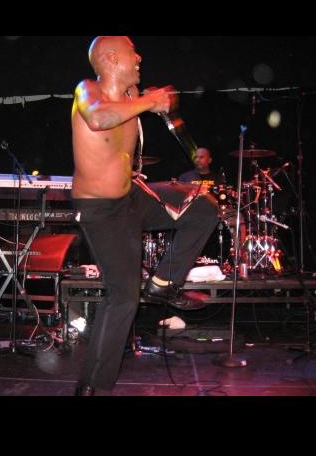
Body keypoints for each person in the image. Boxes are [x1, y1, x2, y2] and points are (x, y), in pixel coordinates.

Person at [71, 36, 218, 396]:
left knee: (203, 205)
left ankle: (164, 283)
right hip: (100, 209)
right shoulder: (88, 90)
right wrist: (150, 101)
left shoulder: (131, 95)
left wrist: (170, 112)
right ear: (110, 58)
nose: (139, 57)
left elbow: (160, 105)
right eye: (131, 52)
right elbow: (99, 118)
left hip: (132, 197)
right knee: (123, 298)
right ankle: (92, 388)